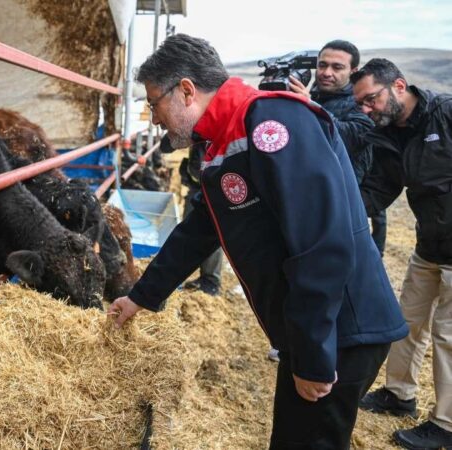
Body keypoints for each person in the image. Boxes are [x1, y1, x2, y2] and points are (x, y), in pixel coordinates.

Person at [107, 34, 408, 449]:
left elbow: (321, 244)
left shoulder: (272, 124)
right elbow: (200, 229)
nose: (154, 118)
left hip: (341, 328)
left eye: (154, 102)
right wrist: (140, 296)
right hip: (317, 330)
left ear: (187, 90)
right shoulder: (224, 139)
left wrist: (313, 357)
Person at [352, 58, 452, 450]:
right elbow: (377, 190)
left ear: (398, 86)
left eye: (371, 99)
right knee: (405, 322)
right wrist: (333, 215)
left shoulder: (445, 114)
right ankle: (399, 394)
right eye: (361, 103)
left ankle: (445, 425)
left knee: (448, 335)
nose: (366, 108)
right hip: (429, 246)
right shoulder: (390, 136)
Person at [288, 39, 386, 256]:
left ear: (354, 71)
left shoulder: (363, 101)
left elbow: (353, 136)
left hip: (348, 207)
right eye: (322, 65)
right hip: (312, 202)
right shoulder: (313, 94)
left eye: (337, 67)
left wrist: (309, 106)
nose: (326, 72)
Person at [177, 139, 222, 296]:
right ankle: (205, 278)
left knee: (209, 230)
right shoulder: (194, 130)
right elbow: (166, 146)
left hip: (208, 183)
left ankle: (211, 281)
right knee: (191, 230)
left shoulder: (207, 128)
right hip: (196, 182)